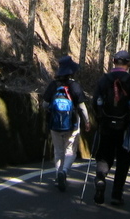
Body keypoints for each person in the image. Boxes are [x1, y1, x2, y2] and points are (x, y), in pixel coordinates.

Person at [91, 49, 130, 205]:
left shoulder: (104, 80)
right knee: (123, 159)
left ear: (113, 62)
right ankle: (116, 194)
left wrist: (99, 119)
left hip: (106, 126)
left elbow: (95, 102)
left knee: (104, 155)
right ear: (128, 64)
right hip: (125, 128)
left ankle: (101, 178)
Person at [42, 55, 91, 191]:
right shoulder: (75, 86)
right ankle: (64, 171)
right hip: (72, 124)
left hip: (54, 125)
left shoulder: (53, 85)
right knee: (70, 151)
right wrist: (87, 122)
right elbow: (82, 107)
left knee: (58, 151)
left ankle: (58, 175)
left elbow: (44, 104)